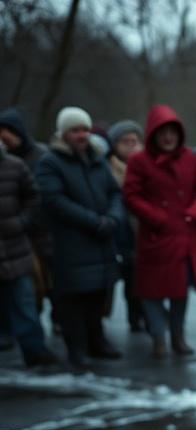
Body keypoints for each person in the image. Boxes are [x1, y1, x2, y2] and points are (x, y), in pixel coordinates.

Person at [122, 105, 196, 358]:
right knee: (151, 293)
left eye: (172, 131)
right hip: (155, 236)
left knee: (179, 291)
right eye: (162, 132)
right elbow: (131, 195)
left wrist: (195, 211)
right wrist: (156, 217)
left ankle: (177, 336)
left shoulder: (189, 158)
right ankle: (158, 338)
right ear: (153, 134)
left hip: (184, 234)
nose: (168, 137)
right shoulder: (139, 161)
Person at [35, 106, 124, 367]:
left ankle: (97, 341)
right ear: (64, 133)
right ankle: (77, 348)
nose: (82, 135)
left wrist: (113, 218)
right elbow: (54, 200)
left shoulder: (97, 158)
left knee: (99, 295)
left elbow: (114, 192)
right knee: (72, 299)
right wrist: (93, 221)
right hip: (71, 242)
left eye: (85, 129)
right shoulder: (50, 162)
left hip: (102, 240)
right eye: (75, 130)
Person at [0, 143, 59, 367]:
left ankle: (35, 350)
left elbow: (34, 197)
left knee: (24, 303)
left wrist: (22, 222)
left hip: (15, 249)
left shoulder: (14, 166)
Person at [1, 108, 56, 333]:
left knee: (49, 283)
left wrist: (24, 221)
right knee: (27, 291)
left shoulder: (41, 156)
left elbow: (38, 196)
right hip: (13, 238)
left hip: (40, 233)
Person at [106, 119, 146, 333]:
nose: (131, 145)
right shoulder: (108, 169)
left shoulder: (148, 165)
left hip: (144, 227)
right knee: (130, 277)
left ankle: (148, 313)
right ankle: (135, 314)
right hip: (121, 231)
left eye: (135, 140)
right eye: (125, 141)